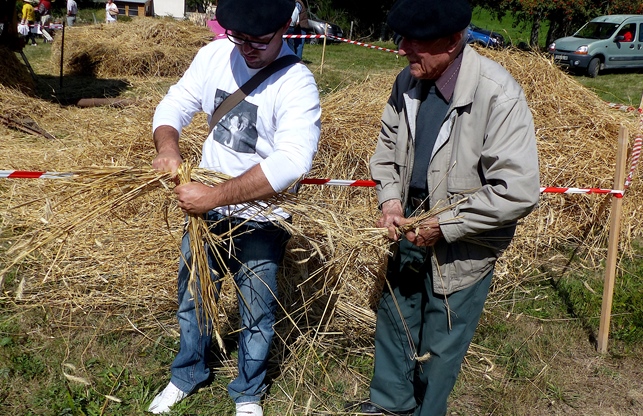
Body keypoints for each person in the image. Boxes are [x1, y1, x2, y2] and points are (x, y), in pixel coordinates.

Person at [359, 0, 541, 415]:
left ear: (454, 40)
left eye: (416, 41)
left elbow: (517, 189)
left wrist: (446, 225)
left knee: (441, 343)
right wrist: (389, 200)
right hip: (407, 223)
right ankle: (390, 405)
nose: (404, 48)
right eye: (402, 37)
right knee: (396, 318)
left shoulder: (498, 94)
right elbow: (387, 150)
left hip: (463, 242)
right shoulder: (407, 81)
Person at [147, 0, 321, 414]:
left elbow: (292, 163)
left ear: (285, 30)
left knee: (256, 306)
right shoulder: (212, 57)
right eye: (239, 38)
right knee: (193, 297)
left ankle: (248, 391)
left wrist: (213, 196)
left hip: (262, 216)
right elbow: (174, 105)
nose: (247, 49)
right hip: (205, 213)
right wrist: (168, 146)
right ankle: (187, 374)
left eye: (259, 41)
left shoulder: (297, 83)